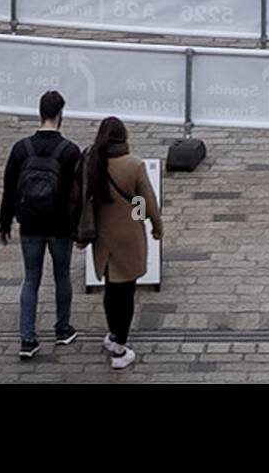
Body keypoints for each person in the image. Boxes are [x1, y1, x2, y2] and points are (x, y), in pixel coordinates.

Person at [0, 90, 83, 360]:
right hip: (59, 225)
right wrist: (78, 226)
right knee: (62, 275)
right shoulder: (69, 151)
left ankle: (27, 339)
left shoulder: (21, 148)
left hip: (30, 224)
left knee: (31, 278)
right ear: (60, 115)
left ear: (40, 112)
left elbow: (9, 188)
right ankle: (62, 328)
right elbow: (77, 193)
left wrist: (5, 222)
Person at [81, 116, 163, 370]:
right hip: (129, 238)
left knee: (110, 289)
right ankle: (120, 347)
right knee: (126, 294)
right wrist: (153, 225)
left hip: (103, 237)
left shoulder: (92, 162)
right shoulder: (134, 165)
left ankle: (113, 334)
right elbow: (144, 201)